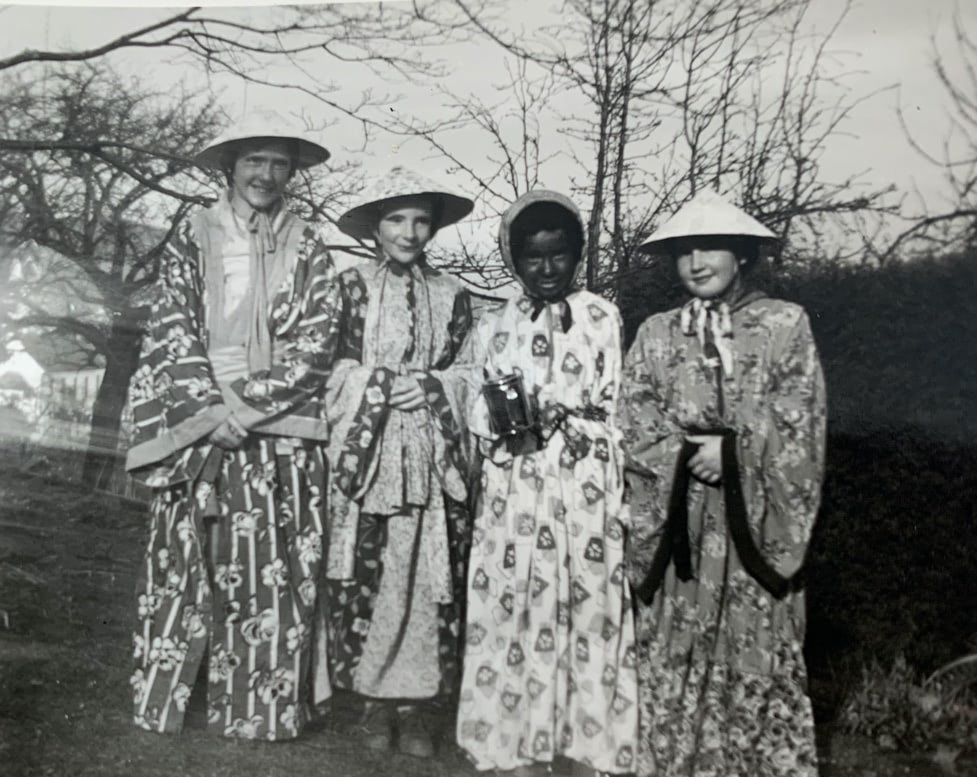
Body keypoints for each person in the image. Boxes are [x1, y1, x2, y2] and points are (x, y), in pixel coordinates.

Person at [124, 109, 341, 741]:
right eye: (255, 160)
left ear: (292, 172)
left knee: (271, 568)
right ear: (231, 165)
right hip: (202, 422)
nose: (267, 175)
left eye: (279, 163)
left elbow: (316, 340)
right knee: (185, 561)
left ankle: (258, 709)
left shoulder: (310, 244)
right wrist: (210, 411)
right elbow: (171, 326)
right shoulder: (195, 234)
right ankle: (171, 696)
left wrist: (246, 410)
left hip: (277, 426)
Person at [618, 189, 827, 777]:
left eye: (712, 247)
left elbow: (801, 420)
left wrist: (732, 451)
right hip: (680, 525)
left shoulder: (785, 325)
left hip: (752, 528)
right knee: (672, 647)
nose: (697, 261)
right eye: (685, 250)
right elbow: (634, 421)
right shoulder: (656, 334)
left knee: (755, 642)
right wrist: (687, 453)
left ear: (742, 252)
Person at [456, 190, 638, 777]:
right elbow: (477, 413)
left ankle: (586, 743)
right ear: (515, 260)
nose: (547, 268)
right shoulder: (495, 325)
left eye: (559, 255)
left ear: (577, 254)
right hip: (520, 485)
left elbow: (620, 408)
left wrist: (575, 420)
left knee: (586, 604)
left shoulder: (603, 317)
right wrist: (511, 417)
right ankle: (516, 738)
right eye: (533, 258)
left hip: (585, 483)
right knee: (518, 605)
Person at [317, 166, 476, 758]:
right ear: (375, 228)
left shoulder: (454, 293)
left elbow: (471, 369)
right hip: (372, 450)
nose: (409, 232)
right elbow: (329, 366)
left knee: (425, 572)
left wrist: (434, 387)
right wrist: (380, 384)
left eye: (420, 220)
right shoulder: (351, 286)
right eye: (396, 219)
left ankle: (415, 708)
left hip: (431, 454)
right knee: (371, 567)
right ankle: (371, 702)